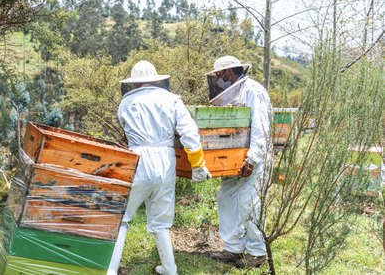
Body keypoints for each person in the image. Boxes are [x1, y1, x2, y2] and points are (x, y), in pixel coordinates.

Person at [107, 60, 211, 275]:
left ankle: (110, 270)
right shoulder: (172, 100)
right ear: (156, 79)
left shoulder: (125, 103)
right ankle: (170, 269)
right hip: (166, 160)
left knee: (122, 218)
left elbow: (125, 128)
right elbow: (189, 132)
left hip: (137, 160)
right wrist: (198, 164)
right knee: (161, 220)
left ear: (134, 83)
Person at [207, 56, 272, 268]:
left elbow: (260, 127)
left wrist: (252, 159)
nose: (219, 79)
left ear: (229, 72)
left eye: (220, 74)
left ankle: (257, 252)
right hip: (233, 160)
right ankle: (233, 248)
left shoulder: (253, 91)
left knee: (249, 204)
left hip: (254, 159)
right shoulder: (234, 91)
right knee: (226, 199)